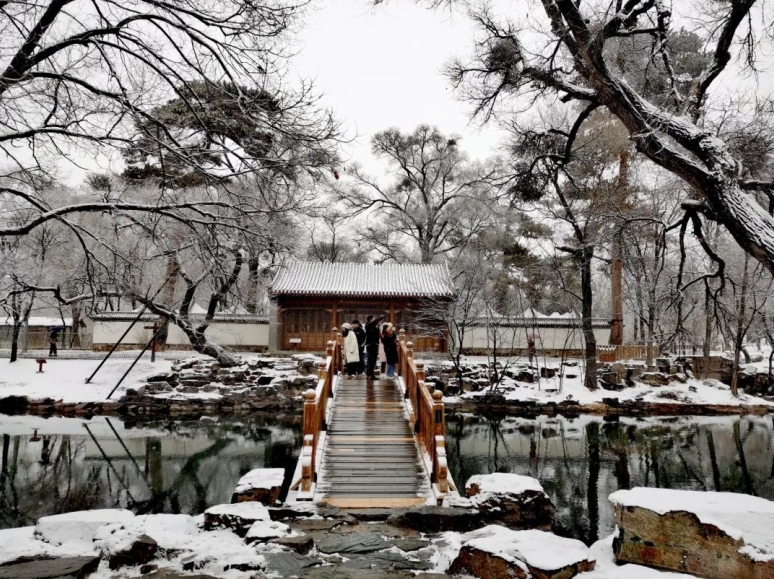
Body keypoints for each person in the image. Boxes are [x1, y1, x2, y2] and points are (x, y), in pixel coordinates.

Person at [364, 314, 385, 380]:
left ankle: (370, 374)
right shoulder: (368, 325)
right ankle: (369, 374)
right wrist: (379, 318)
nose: (375, 320)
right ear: (370, 319)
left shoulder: (375, 325)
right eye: (373, 318)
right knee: (371, 360)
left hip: (375, 344)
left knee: (373, 360)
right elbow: (374, 323)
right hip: (370, 344)